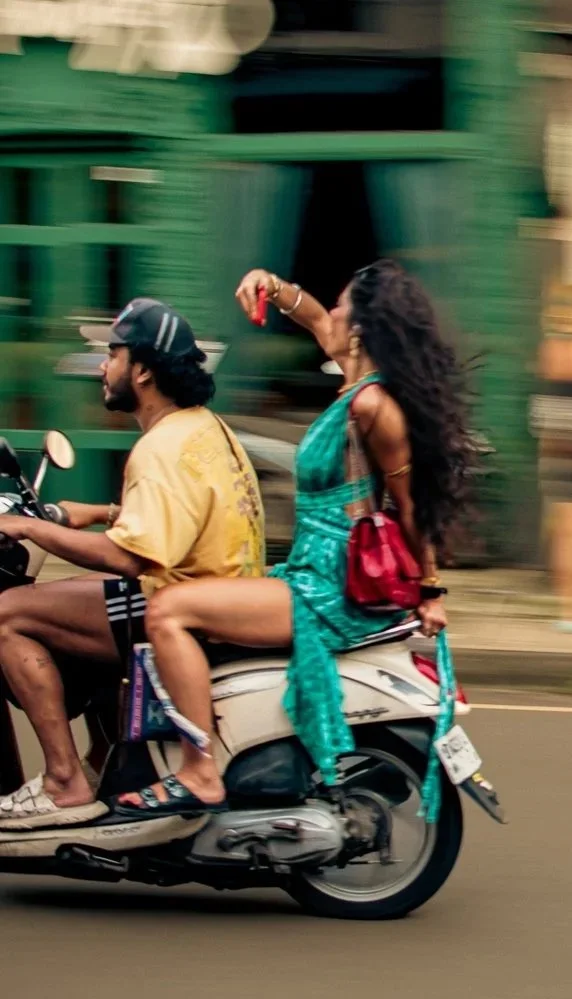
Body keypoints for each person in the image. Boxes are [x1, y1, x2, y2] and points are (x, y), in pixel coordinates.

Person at [114, 260, 476, 818]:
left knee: (169, 611)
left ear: (361, 325)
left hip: (330, 587)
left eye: (342, 304)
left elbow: (410, 507)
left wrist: (430, 591)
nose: (330, 311)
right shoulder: (353, 368)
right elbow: (310, 316)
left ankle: (200, 771)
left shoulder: (373, 406)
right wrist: (272, 286)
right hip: (307, 568)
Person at [0, 299, 264, 829]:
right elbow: (180, 515)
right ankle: (105, 759)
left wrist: (29, 527)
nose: (102, 366)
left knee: (8, 613)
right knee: (76, 598)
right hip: (217, 599)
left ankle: (63, 783)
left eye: (112, 354)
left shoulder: (160, 448)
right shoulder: (203, 428)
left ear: (142, 369)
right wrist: (96, 513)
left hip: (185, 615)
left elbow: (128, 556)